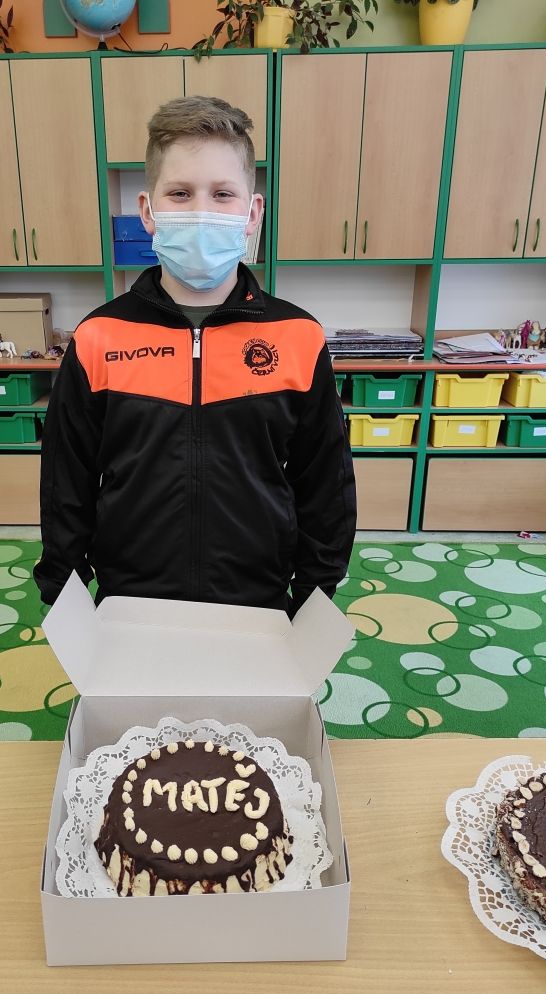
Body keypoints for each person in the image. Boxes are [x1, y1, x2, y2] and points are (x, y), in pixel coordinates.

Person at [34, 96, 356, 617]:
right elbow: (65, 481)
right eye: (180, 193)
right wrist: (63, 591)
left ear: (252, 213)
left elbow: (325, 480)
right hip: (131, 600)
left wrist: (315, 592)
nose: (202, 211)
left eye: (223, 194)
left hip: (257, 598)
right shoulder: (99, 336)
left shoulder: (298, 336)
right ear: (148, 211)